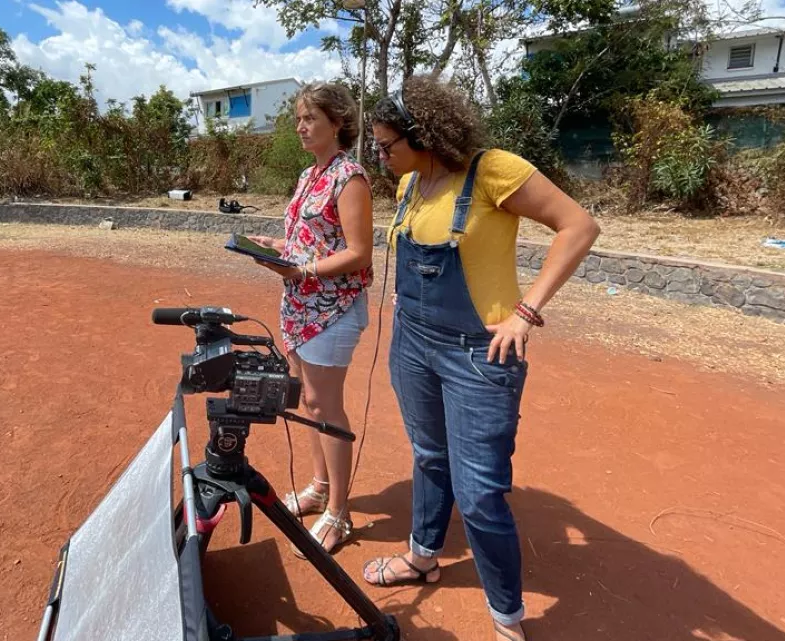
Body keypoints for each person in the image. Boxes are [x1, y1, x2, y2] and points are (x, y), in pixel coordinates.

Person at [359, 76, 600, 641]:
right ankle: (423, 555)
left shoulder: (492, 170)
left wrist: (526, 313)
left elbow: (579, 227)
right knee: (427, 456)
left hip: (477, 355)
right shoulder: (409, 185)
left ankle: (507, 619)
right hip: (412, 344)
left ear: (422, 136)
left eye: (386, 145)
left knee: (480, 493)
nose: (380, 155)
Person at [247, 82, 374, 555]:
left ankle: (338, 513)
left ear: (337, 122)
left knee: (326, 408)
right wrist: (276, 248)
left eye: (310, 118)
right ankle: (320, 487)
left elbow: (360, 255)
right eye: (298, 118)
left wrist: (300, 268)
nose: (300, 126)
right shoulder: (309, 175)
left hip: (333, 309)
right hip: (300, 306)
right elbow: (308, 240)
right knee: (307, 403)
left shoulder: (350, 177)